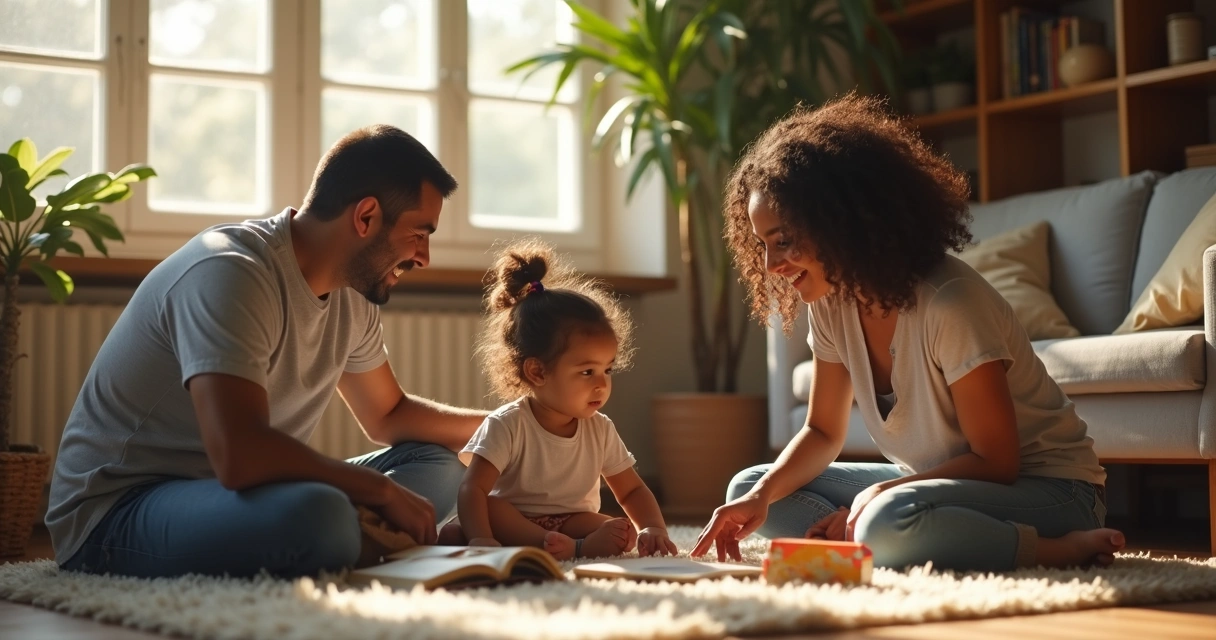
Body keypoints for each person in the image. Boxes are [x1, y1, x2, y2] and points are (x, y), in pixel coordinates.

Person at [691, 94, 1126, 572]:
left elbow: (997, 462)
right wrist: (761, 496)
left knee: (886, 516)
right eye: (763, 245)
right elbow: (820, 430)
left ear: (842, 219)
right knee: (750, 488)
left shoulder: (950, 302)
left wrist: (883, 493)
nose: (772, 265)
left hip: (1051, 491)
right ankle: (884, 530)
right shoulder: (832, 302)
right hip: (933, 484)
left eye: (784, 240)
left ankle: (1060, 550)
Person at [46, 125, 487, 578]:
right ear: (365, 217)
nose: (425, 257)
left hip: (237, 496)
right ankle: (348, 536)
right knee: (320, 515)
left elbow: (388, 414)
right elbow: (240, 454)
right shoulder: (230, 272)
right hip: (119, 511)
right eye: (419, 233)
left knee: (445, 465)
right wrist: (380, 491)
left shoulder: (351, 292)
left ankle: (346, 540)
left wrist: (509, 427)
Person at [441, 240, 677, 560]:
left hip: (571, 521)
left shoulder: (600, 429)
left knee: (624, 531)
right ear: (537, 371)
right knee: (488, 509)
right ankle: (566, 548)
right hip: (515, 520)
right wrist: (481, 537)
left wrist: (654, 527)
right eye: (586, 372)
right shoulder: (507, 424)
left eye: (607, 370)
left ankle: (565, 543)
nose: (601, 384)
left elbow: (632, 489)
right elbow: (473, 489)